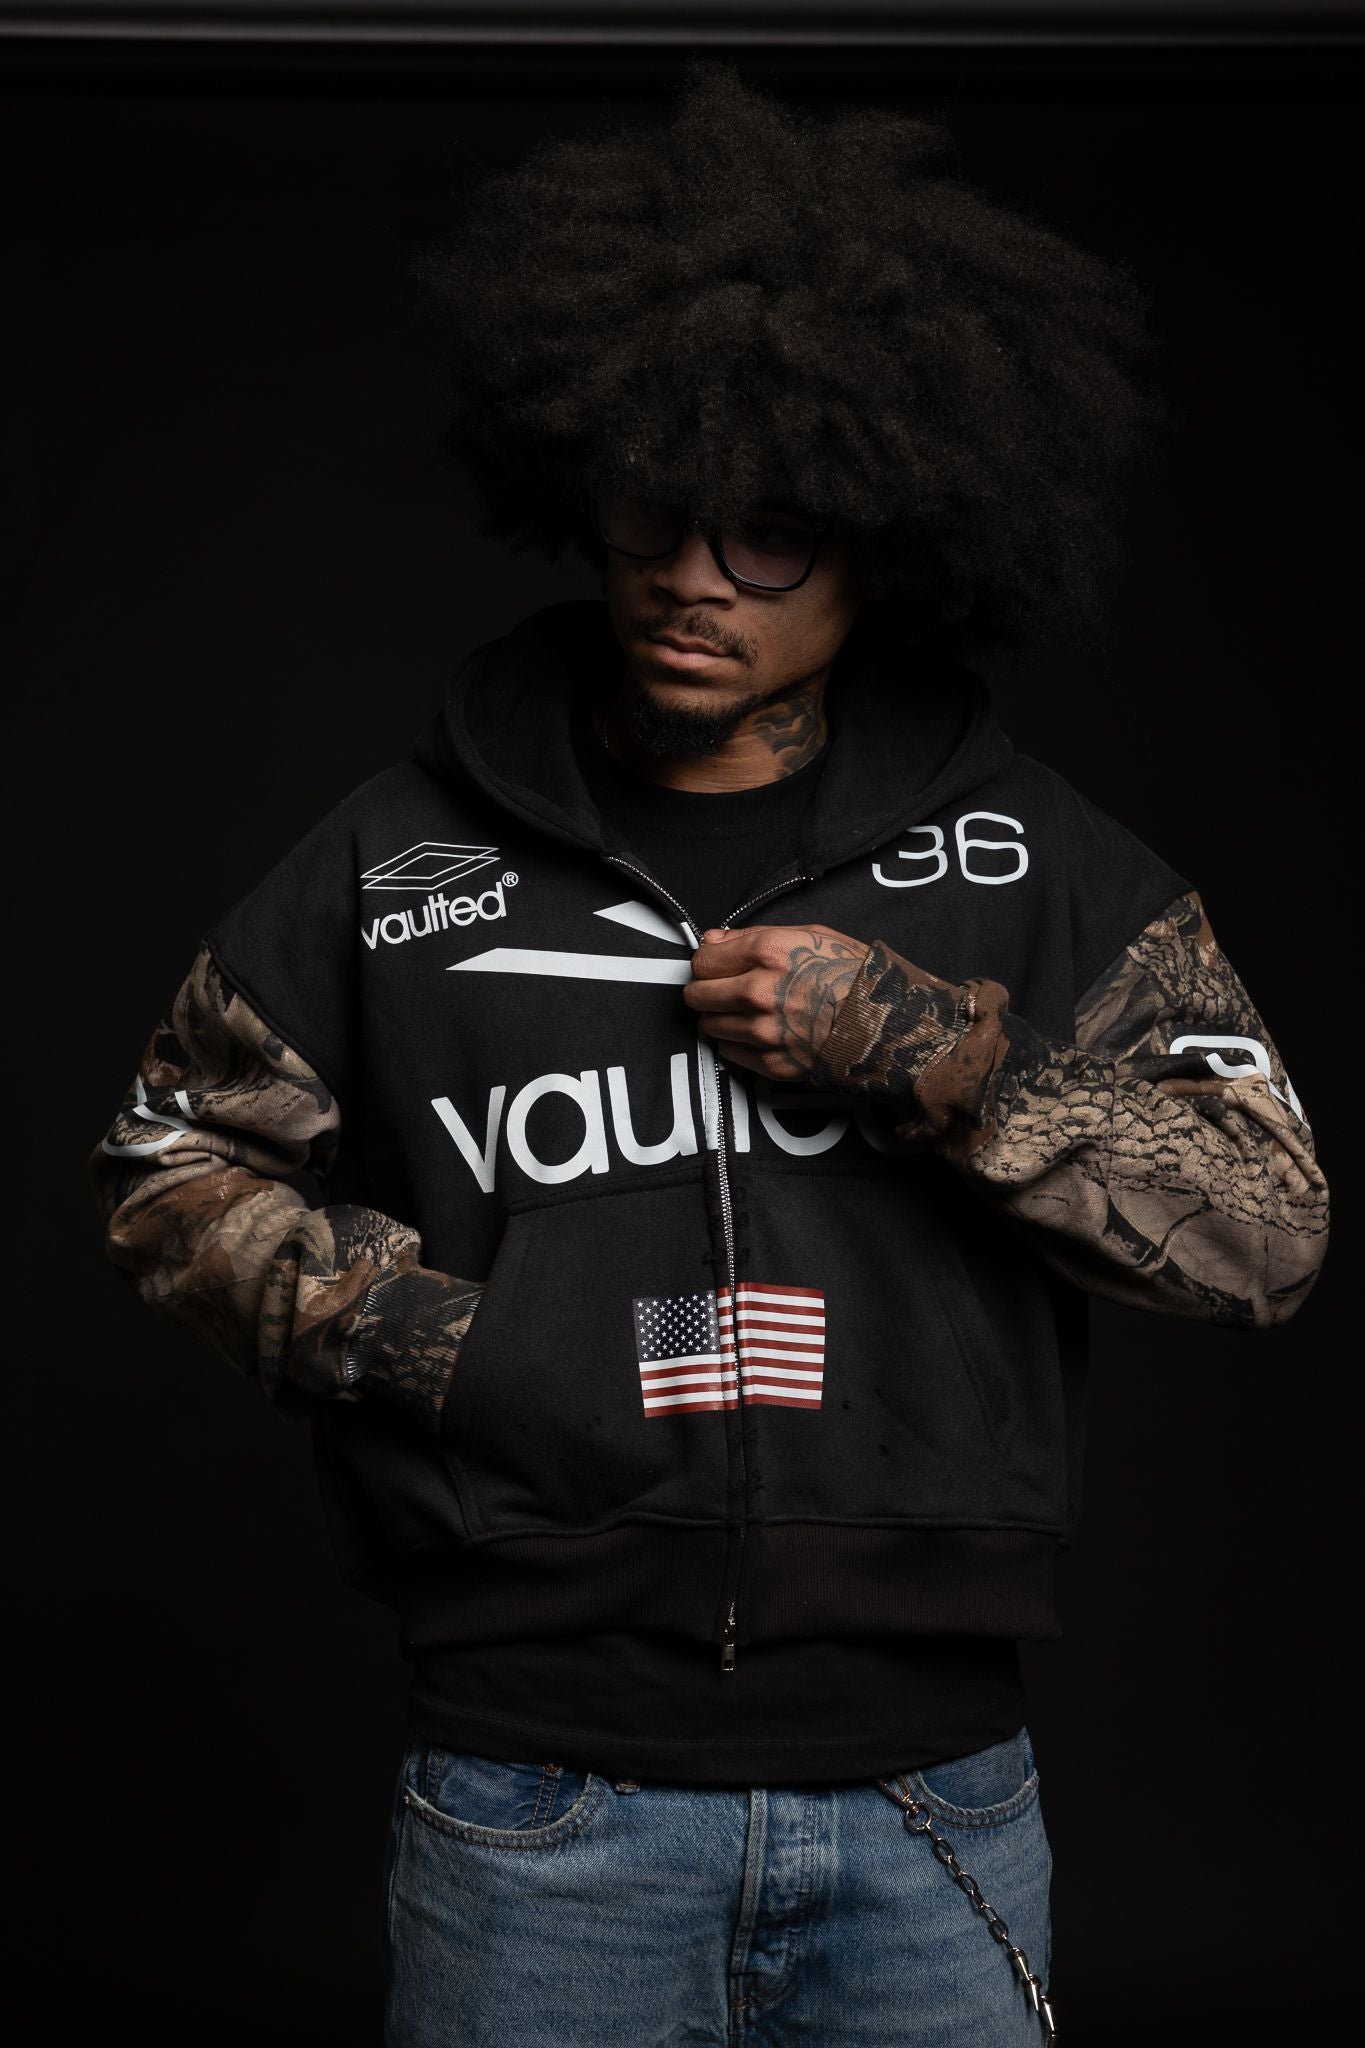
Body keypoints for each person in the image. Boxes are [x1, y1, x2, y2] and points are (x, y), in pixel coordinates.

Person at [88, 61, 1328, 2048]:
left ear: (885, 538)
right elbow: (169, 1160)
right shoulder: (401, 860)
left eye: (772, 536)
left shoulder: (1025, 858)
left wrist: (932, 1056)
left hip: (930, 1798)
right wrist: (448, 1346)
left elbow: (1266, 1227)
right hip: (533, 1797)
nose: (692, 576)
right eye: (657, 513)